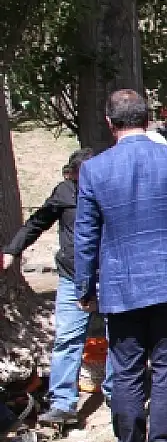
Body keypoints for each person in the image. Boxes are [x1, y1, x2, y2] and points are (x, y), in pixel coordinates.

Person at [74, 89, 167, 442]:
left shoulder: (94, 170)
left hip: (122, 283)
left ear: (109, 121)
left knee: (127, 369)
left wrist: (84, 288)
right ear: (148, 118)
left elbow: (86, 236)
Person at [3, 148, 96, 425]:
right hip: (72, 277)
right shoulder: (65, 193)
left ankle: (120, 399)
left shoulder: (110, 191)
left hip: (108, 276)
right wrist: (12, 250)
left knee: (119, 337)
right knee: (67, 338)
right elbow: (38, 222)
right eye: (77, 178)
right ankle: (63, 405)